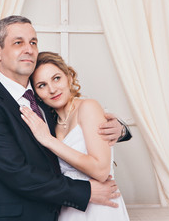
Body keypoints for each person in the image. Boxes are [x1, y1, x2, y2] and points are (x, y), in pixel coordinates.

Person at [0, 15, 131, 221]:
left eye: (33, 42)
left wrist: (120, 129)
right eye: (18, 42)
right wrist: (86, 191)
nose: (29, 49)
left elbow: (75, 126)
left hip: (57, 213)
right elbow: (16, 172)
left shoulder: (43, 100)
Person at [20, 51, 130, 220]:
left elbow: (101, 170)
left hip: (100, 207)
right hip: (68, 207)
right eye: (42, 85)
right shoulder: (49, 123)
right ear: (35, 93)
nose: (52, 89)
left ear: (69, 78)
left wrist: (49, 141)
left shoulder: (88, 107)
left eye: (56, 78)